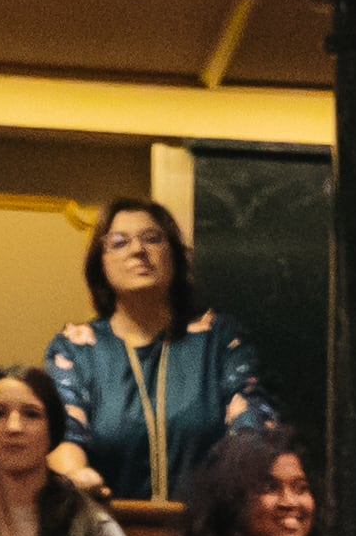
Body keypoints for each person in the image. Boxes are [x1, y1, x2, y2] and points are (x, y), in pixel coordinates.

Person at [36, 196, 266, 507]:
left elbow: (251, 430)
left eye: (152, 239)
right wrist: (77, 475)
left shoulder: (218, 339)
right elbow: (64, 437)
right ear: (100, 263)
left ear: (173, 254)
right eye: (119, 242)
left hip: (209, 533)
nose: (138, 250)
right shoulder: (76, 349)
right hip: (108, 528)